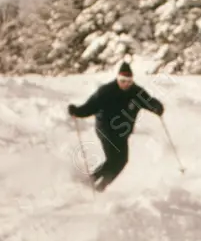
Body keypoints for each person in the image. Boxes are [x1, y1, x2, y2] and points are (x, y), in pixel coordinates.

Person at [67, 61, 164, 192]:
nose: (126, 84)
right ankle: (91, 181)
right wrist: (76, 111)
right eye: (123, 81)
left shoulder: (136, 92)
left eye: (129, 81)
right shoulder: (106, 91)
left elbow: (149, 102)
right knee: (113, 159)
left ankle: (101, 186)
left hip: (122, 132)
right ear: (118, 78)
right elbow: (89, 107)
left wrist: (157, 108)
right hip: (105, 128)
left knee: (122, 161)